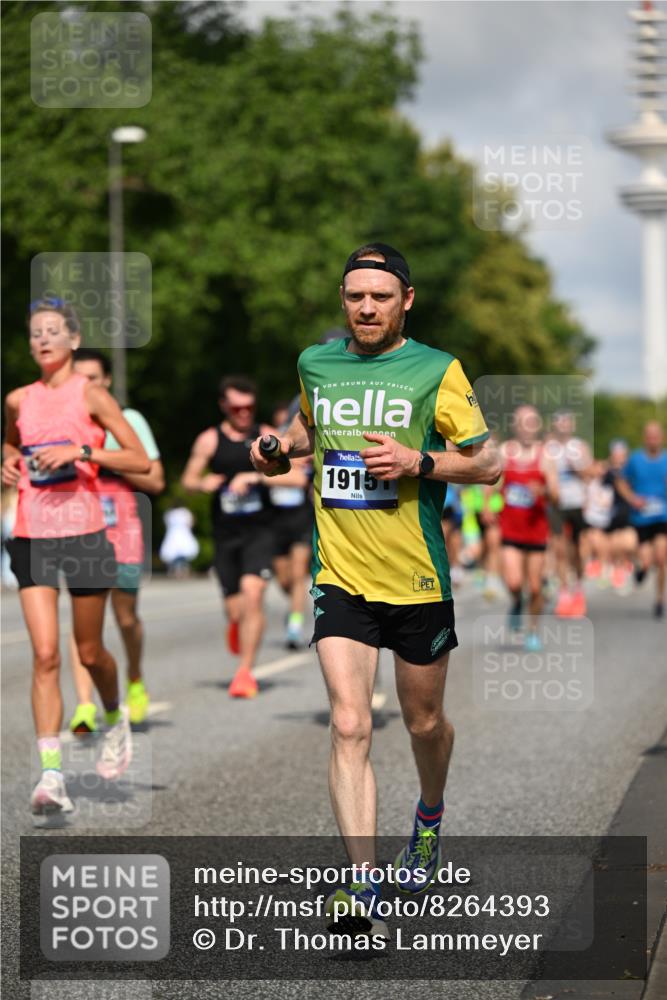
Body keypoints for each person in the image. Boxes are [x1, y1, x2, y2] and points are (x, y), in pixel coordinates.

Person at [251, 243, 500, 936]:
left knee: (423, 723)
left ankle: (427, 817)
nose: (366, 307)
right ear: (343, 300)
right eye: (355, 295)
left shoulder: (435, 369)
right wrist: (276, 448)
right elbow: (308, 429)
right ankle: (362, 884)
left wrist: (417, 460)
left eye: (380, 297)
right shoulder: (315, 362)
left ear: (405, 301)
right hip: (341, 575)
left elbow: (488, 464)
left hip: (416, 577)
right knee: (351, 722)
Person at [2, 298, 149, 814]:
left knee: (90, 652)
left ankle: (114, 716)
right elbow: (11, 448)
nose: (42, 340)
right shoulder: (18, 399)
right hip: (32, 534)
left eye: (52, 331)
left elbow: (138, 459)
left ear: (73, 339)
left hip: (86, 532)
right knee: (45, 655)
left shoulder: (93, 395)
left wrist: (82, 452)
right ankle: (51, 777)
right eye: (34, 333)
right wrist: (8, 463)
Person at [181, 375, 304, 697]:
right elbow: (188, 479)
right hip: (226, 536)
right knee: (235, 609)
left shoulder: (266, 437)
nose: (244, 413)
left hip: (260, 531)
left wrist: (257, 478)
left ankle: (245, 672)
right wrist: (203, 483)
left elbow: (297, 480)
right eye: (237, 408)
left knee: (254, 595)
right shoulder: (209, 440)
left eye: (249, 407)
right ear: (224, 406)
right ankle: (238, 626)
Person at [67, 349, 165, 731]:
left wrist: (100, 458)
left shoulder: (129, 420)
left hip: (122, 533)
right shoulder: (66, 420)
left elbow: (155, 480)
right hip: (78, 532)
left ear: (106, 381)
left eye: (92, 377)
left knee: (124, 618)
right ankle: (85, 706)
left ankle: (135, 679)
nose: (85, 385)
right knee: (82, 623)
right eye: (79, 377)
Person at [498, 405, 559, 650]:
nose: (526, 427)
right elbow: (492, 484)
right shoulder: (505, 452)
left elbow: (556, 495)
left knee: (535, 587)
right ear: (515, 426)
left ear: (538, 426)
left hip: (536, 532)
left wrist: (543, 490)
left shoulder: (545, 456)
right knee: (514, 583)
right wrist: (487, 506)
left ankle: (532, 630)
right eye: (522, 422)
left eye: (531, 422)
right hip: (510, 529)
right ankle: (515, 602)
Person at [269, 401, 313, 648]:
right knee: (284, 579)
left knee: (298, 574)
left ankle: (294, 627)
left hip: (301, 515)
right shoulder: (272, 439)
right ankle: (294, 607)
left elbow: (301, 479)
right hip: (276, 519)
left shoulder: (303, 442)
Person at [616, 421, 667, 618]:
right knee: (646, 560)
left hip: (663, 515)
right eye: (649, 435)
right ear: (645, 438)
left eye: (656, 435)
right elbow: (620, 481)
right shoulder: (635, 459)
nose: (653, 439)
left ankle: (659, 600)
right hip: (642, 518)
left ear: (661, 437)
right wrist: (632, 498)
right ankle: (642, 569)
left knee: (661, 557)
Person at [545, 411, 593, 617]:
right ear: (555, 425)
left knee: (578, 548)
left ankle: (579, 588)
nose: (564, 425)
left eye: (567, 422)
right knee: (559, 549)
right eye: (560, 422)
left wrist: (578, 468)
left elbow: (591, 474)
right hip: (557, 504)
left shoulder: (580, 446)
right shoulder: (548, 448)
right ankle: (564, 593)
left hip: (577, 502)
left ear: (572, 426)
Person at [159, 506, 199, 578]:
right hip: (182, 533)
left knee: (175, 553)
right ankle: (180, 570)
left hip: (174, 534)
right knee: (182, 553)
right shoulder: (185, 512)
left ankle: (178, 570)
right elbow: (191, 523)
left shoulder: (170, 513)